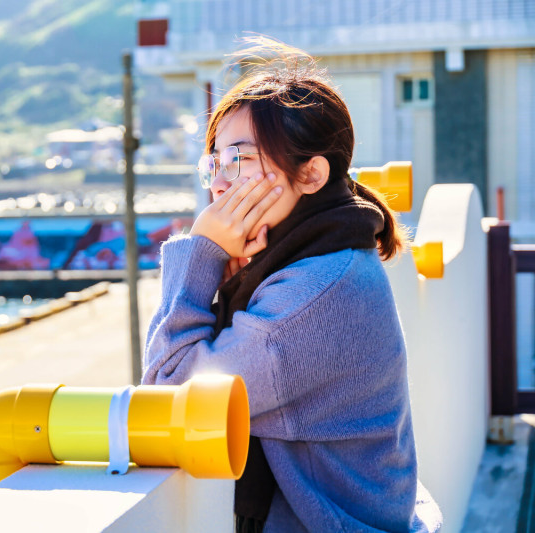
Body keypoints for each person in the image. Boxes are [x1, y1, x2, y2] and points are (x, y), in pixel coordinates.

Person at [141, 39, 442, 532]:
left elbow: (166, 396)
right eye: (214, 163)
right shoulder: (325, 258)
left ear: (311, 174)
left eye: (239, 160)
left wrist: (199, 254)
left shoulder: (317, 292)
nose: (218, 185)